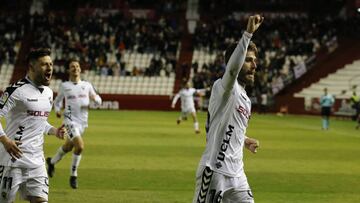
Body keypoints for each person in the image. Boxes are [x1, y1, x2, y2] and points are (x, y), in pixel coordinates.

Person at [192, 15, 262, 203]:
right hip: (214, 173)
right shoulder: (223, 88)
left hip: (237, 176)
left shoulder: (245, 99)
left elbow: (231, 127)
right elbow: (231, 71)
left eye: (255, 60)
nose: (254, 65)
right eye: (248, 60)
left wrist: (245, 140)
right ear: (236, 62)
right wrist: (247, 35)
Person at [0, 48, 66, 203]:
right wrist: (5, 141)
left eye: (50, 64)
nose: (49, 68)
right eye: (44, 64)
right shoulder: (15, 91)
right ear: (31, 67)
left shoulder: (49, 93)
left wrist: (53, 131)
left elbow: (38, 121)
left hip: (37, 162)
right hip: (12, 162)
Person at [46, 58, 102, 189]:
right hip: (69, 121)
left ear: (80, 69)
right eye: (72, 67)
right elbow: (58, 101)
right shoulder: (65, 86)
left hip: (83, 123)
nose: (75, 68)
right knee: (80, 146)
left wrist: (96, 99)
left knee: (68, 147)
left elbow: (98, 99)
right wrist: (58, 110)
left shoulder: (87, 85)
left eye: (77, 66)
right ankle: (73, 175)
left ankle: (52, 162)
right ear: (68, 70)